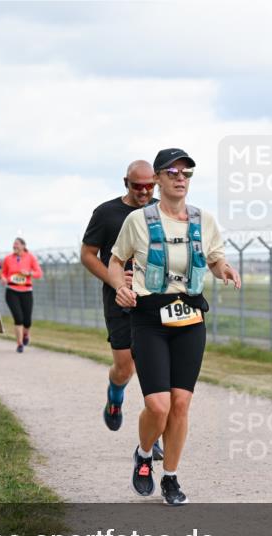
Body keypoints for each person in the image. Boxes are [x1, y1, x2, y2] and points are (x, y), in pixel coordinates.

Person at [109, 149, 241, 505]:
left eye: (187, 173)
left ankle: (170, 476)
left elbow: (213, 258)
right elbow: (116, 259)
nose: (180, 178)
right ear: (157, 180)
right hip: (150, 318)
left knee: (181, 403)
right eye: (172, 172)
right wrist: (120, 286)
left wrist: (223, 269)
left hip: (190, 319)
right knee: (159, 406)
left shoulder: (203, 220)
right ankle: (143, 453)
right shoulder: (138, 220)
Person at [82, 159, 165, 460]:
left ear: (156, 182)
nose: (143, 192)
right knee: (124, 366)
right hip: (119, 298)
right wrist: (116, 281)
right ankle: (115, 397)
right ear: (125, 183)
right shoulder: (106, 214)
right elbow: (88, 255)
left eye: (149, 186)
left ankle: (153, 436)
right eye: (136, 186)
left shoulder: (161, 211)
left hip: (154, 300)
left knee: (154, 370)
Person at [0, 237, 43, 353]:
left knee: (27, 320)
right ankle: (19, 344)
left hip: (26, 291)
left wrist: (29, 273)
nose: (15, 246)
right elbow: (3, 273)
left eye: (17, 244)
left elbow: (39, 273)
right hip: (11, 290)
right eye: (14, 245)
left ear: (23, 246)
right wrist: (3, 278)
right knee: (18, 318)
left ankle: (26, 334)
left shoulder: (30, 258)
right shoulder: (8, 259)